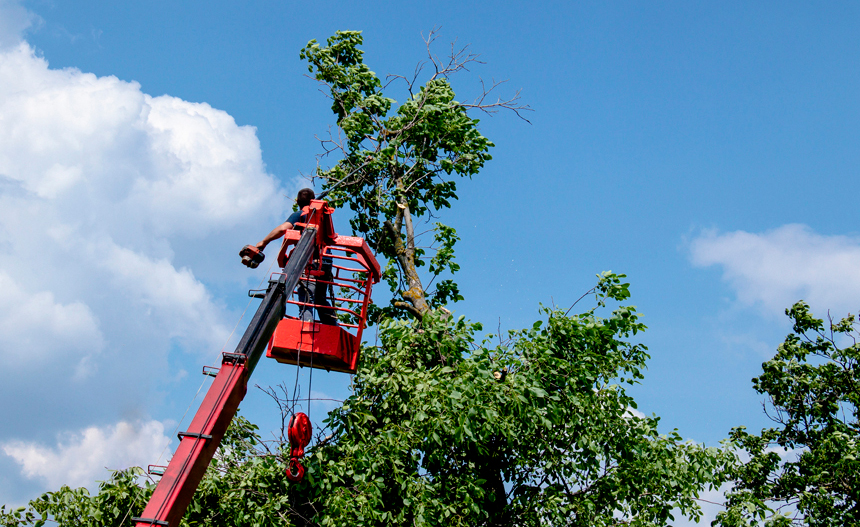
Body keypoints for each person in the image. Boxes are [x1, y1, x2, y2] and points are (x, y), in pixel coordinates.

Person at [254, 188, 337, 325]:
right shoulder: (323, 217)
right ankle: (332, 326)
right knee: (320, 298)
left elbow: (282, 229)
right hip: (326, 260)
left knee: (306, 296)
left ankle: (307, 325)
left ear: (297, 201)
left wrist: (264, 242)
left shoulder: (300, 214)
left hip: (309, 261)